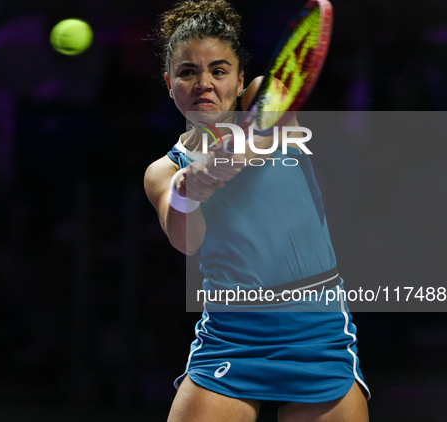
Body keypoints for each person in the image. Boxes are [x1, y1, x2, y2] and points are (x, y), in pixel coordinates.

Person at [143, 1, 370, 421]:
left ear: (240, 79)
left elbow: (266, 129)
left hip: (317, 332)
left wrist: (227, 156)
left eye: (218, 70)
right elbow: (185, 240)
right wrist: (188, 187)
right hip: (232, 337)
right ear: (169, 82)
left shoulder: (262, 97)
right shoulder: (162, 170)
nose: (204, 83)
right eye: (187, 72)